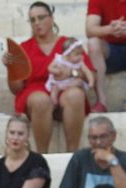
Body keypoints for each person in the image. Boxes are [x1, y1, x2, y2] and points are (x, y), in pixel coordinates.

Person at [7, 1, 89, 154]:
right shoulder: (24, 48)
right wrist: (11, 68)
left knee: (75, 95)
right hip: (36, 97)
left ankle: (73, 155)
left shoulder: (69, 44)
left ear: (51, 19)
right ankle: (42, 156)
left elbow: (89, 76)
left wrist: (72, 73)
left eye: (41, 17)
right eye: (32, 20)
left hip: (65, 89)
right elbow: (16, 89)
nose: (37, 23)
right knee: (41, 100)